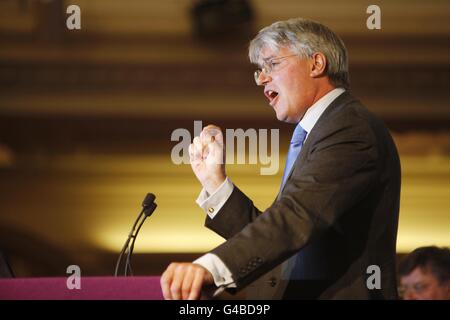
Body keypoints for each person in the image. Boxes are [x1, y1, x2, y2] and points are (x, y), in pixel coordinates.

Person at [161, 17, 401, 300]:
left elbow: (295, 218)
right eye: (259, 71)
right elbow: (283, 242)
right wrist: (216, 184)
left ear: (316, 64)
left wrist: (212, 266)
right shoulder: (318, 132)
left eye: (272, 64)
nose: (262, 78)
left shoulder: (350, 127)